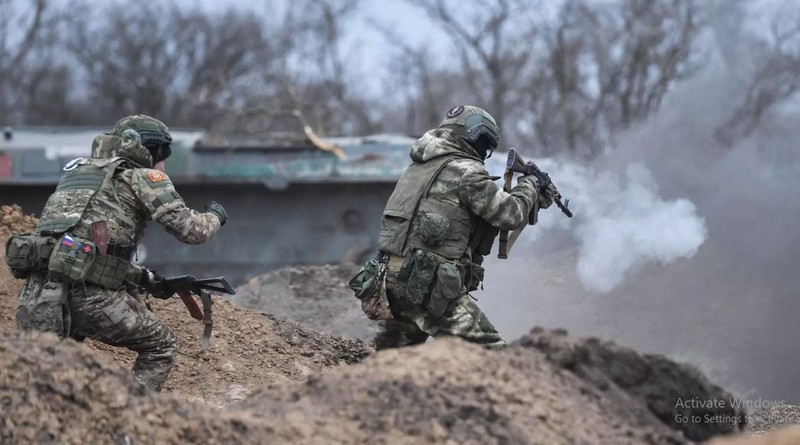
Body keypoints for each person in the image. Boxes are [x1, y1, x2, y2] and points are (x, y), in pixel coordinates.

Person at [9, 115, 227, 391]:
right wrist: (216, 216)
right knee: (161, 345)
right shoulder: (144, 177)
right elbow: (193, 231)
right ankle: (130, 416)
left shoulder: (78, 173)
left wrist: (147, 279)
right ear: (149, 151)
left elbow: (84, 250)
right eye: (163, 154)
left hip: (37, 299)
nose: (163, 163)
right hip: (88, 300)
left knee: (50, 389)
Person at [352, 105, 553, 350]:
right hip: (425, 285)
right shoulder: (467, 171)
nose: (484, 153)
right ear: (473, 136)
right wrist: (531, 185)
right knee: (495, 356)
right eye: (485, 145)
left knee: (392, 357)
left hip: (389, 281)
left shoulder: (416, 167)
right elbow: (509, 214)